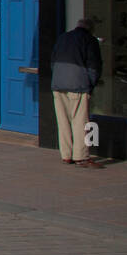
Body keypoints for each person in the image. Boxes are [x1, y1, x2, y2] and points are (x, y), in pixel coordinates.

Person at [51, 18, 104, 168]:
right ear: (91, 29)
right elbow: (94, 66)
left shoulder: (63, 37)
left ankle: (66, 154)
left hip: (58, 84)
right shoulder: (90, 40)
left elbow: (53, 61)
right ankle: (81, 156)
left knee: (63, 120)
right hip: (78, 84)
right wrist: (90, 85)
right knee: (80, 121)